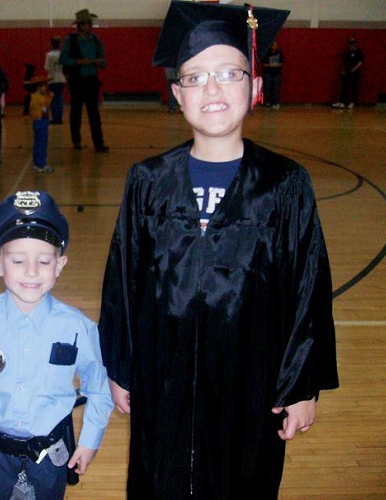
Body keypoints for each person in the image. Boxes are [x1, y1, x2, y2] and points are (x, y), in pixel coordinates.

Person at [98, 2, 339, 498]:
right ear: (177, 95)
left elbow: (309, 287)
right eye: (194, 77)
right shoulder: (148, 181)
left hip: (251, 382)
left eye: (229, 73)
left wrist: (301, 385)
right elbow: (123, 279)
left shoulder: (285, 184)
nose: (212, 89)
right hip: (163, 378)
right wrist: (120, 367)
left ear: (255, 87)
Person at [0, 190, 113, 500]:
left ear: (60, 264)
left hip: (51, 455)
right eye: (18, 260)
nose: (32, 271)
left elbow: (99, 389)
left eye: (44, 261)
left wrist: (90, 440)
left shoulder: (77, 327)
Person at [59, 9, 109, 152]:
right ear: (80, 25)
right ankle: (76, 141)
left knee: (94, 112)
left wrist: (99, 62)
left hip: (92, 80)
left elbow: (103, 62)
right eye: (87, 24)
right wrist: (79, 62)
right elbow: (63, 59)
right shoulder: (71, 40)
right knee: (76, 111)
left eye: (90, 23)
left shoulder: (96, 40)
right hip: (77, 80)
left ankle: (99, 143)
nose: (90, 26)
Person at [29, 76, 54, 173]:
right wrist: (50, 96)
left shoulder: (35, 97)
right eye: (44, 86)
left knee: (37, 143)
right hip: (41, 122)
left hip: (38, 122)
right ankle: (42, 164)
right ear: (39, 87)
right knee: (42, 144)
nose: (46, 88)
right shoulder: (38, 98)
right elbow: (46, 105)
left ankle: (36, 163)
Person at [332, 38, 364, 110]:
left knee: (353, 88)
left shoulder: (359, 52)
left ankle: (352, 102)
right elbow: (345, 62)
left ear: (355, 44)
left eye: (353, 44)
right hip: (347, 72)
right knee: (344, 87)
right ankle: (341, 102)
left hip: (354, 73)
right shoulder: (347, 53)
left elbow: (360, 62)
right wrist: (343, 70)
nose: (351, 45)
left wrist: (354, 69)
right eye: (350, 44)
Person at [45, 36, 66, 124]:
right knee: (60, 98)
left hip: (52, 79)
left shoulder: (49, 55)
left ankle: (55, 117)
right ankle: (60, 117)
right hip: (61, 79)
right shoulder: (62, 54)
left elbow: (47, 68)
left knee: (53, 99)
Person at [262, 40, 284, 109]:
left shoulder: (279, 53)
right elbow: (264, 64)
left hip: (277, 74)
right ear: (271, 46)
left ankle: (275, 103)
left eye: (276, 45)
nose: (275, 46)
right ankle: (267, 102)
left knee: (276, 89)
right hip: (268, 74)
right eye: (273, 45)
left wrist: (277, 65)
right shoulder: (267, 53)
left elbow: (282, 62)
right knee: (267, 88)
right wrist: (271, 65)